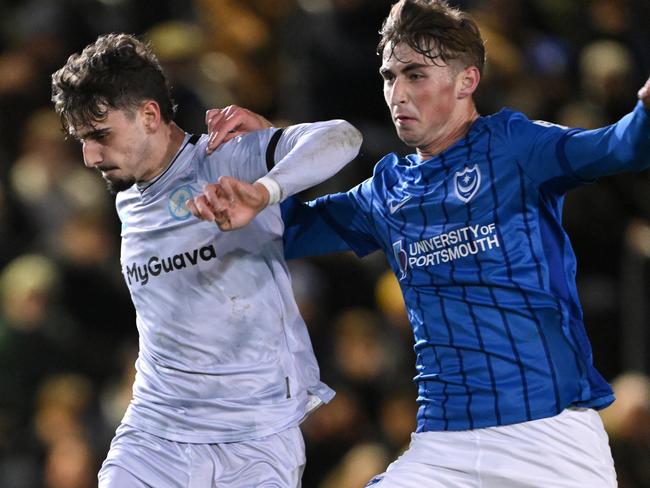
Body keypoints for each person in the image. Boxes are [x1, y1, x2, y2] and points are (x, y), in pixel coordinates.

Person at [190, 0, 650, 486]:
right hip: (444, 446)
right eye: (390, 76)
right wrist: (262, 159)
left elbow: (620, 147)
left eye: (416, 75)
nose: (397, 94)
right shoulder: (386, 193)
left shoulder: (517, 148)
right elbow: (290, 236)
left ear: (466, 81)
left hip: (549, 438)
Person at [51, 33, 362, 487]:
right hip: (156, 431)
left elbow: (341, 137)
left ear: (150, 115)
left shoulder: (225, 159)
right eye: (82, 140)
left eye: (100, 135)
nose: (90, 156)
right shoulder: (127, 199)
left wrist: (263, 191)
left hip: (255, 435)